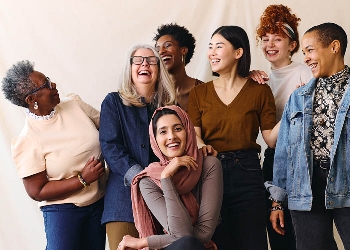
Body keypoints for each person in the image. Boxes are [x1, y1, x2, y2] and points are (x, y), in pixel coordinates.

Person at [188, 25, 279, 250]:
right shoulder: (199, 93)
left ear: (239, 53)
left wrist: (295, 107)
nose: (212, 52)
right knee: (218, 244)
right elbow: (194, 136)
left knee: (253, 243)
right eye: (210, 47)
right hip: (210, 172)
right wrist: (202, 146)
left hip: (247, 173)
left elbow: (271, 139)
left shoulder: (260, 91)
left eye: (219, 46)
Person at [1, 60, 107, 250]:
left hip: (98, 203)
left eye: (49, 80)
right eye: (47, 85)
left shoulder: (75, 105)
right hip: (63, 211)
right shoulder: (28, 140)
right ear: (31, 100)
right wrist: (82, 179)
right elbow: (37, 191)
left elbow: (109, 129)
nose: (54, 85)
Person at [267, 22, 350, 250]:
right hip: (305, 188)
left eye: (310, 50)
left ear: (334, 47)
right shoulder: (299, 97)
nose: (306, 58)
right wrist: (277, 202)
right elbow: (283, 151)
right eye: (303, 52)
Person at [99, 44, 176, 249]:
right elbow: (110, 146)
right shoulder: (113, 102)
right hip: (122, 202)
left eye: (151, 60)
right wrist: (139, 176)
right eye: (138, 60)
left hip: (163, 199)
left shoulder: (169, 108)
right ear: (129, 67)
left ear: (159, 68)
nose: (145, 64)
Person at [251, 5, 314, 249]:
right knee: (277, 235)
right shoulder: (260, 78)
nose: (270, 44)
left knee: (301, 235)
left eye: (278, 39)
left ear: (293, 44)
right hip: (273, 158)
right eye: (265, 39)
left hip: (300, 160)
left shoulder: (304, 72)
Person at [117, 105, 223, 250]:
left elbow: (203, 234)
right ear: (154, 139)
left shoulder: (209, 165)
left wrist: (143, 242)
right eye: (163, 132)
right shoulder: (148, 180)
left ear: (188, 131)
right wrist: (166, 177)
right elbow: (182, 235)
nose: (171, 136)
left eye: (178, 129)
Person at [154, 23, 203, 111]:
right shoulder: (154, 93)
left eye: (167, 45)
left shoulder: (203, 90)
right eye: (157, 49)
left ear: (183, 50)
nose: (161, 52)